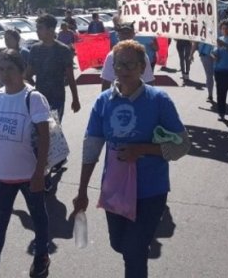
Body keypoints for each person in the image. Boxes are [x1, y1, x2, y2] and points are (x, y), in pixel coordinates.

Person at [72, 40, 190, 278]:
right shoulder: (103, 101)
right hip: (115, 189)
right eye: (118, 64)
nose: (123, 70)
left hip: (150, 191)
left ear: (142, 67)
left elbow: (183, 145)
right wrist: (82, 190)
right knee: (120, 245)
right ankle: (137, 247)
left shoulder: (159, 100)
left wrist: (143, 149)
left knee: (134, 251)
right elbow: (91, 147)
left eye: (130, 65)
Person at [0, 49, 51, 278]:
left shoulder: (33, 98)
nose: (5, 74)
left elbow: (44, 136)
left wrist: (39, 173)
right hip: (1, 174)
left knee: (38, 217)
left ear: (22, 70)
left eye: (10, 68)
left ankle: (41, 255)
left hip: (29, 173)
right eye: (1, 69)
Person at [25, 14, 80, 122]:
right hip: (39, 98)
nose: (37, 31)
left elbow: (70, 77)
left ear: (50, 30)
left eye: (40, 28)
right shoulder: (35, 49)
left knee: (54, 130)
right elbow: (28, 74)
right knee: (39, 130)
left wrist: (75, 99)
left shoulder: (63, 50)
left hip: (57, 97)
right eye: (37, 28)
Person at [101, 22, 155, 89]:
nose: (126, 36)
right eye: (123, 33)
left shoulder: (142, 55)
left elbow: (148, 80)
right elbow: (106, 81)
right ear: (118, 35)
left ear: (133, 34)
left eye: (128, 33)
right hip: (118, 96)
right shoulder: (111, 56)